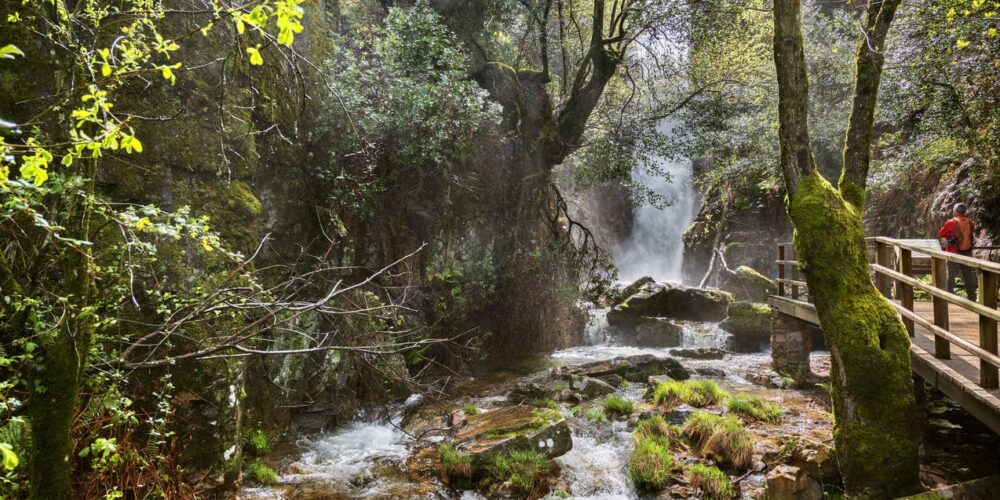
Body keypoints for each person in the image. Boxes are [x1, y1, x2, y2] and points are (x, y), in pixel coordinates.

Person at [938, 202, 977, 301]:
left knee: (951, 273)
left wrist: (945, 244)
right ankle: (972, 297)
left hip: (953, 251)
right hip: (967, 251)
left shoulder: (951, 222)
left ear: (956, 211)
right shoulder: (970, 222)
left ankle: (949, 296)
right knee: (968, 274)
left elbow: (941, 234)